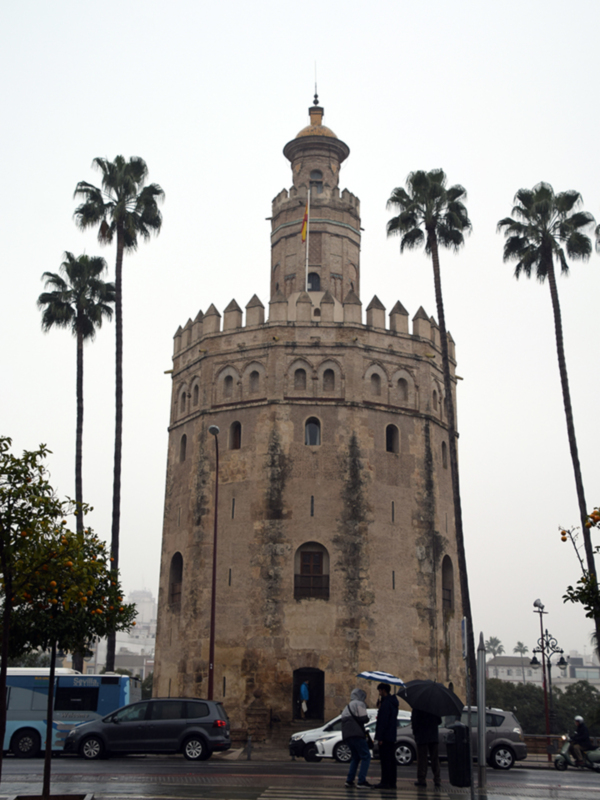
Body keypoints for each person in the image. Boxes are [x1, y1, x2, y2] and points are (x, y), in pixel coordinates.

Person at [341, 688, 373, 788]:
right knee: (366, 756)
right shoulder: (359, 703)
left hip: (347, 735)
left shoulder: (347, 706)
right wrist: (368, 717)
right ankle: (361, 781)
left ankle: (349, 780)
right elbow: (363, 718)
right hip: (357, 734)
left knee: (355, 757)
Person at [374, 682, 399, 789]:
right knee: (391, 760)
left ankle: (385, 781)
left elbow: (383, 722)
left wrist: (380, 737)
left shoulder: (386, 704)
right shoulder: (392, 702)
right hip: (391, 735)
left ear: (383, 690)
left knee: (385, 760)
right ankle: (392, 782)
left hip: (385, 736)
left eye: (379, 691)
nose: (379, 693)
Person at [412, 707, 441, 788]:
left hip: (422, 735)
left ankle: (422, 779)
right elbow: (439, 721)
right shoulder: (434, 707)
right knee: (434, 758)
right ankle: (437, 779)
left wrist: (415, 733)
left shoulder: (417, 706)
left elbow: (414, 721)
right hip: (433, 735)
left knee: (422, 759)